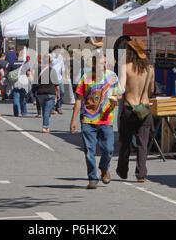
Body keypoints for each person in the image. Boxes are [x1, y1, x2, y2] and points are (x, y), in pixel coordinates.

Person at [70, 51, 123, 189]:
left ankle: (104, 168)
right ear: (94, 64)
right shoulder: (86, 78)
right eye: (101, 63)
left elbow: (119, 95)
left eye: (105, 62)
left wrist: (115, 98)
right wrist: (73, 120)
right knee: (89, 150)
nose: (104, 65)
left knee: (109, 149)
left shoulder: (112, 76)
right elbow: (79, 100)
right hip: (88, 120)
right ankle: (92, 178)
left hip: (106, 120)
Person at [116, 38, 154, 183]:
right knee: (142, 143)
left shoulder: (125, 67)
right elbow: (151, 90)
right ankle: (141, 173)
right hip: (144, 108)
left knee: (125, 141)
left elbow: (121, 88)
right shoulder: (150, 69)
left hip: (129, 108)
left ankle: (122, 170)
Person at [33, 54, 60, 133]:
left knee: (44, 109)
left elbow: (34, 82)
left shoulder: (38, 69)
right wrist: (58, 94)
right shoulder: (52, 70)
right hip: (50, 93)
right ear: (50, 61)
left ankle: (46, 124)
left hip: (40, 93)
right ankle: (45, 127)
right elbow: (57, 85)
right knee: (47, 110)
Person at [50, 46, 66, 115]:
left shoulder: (60, 57)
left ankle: (58, 107)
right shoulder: (50, 56)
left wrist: (64, 76)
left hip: (59, 78)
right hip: (52, 78)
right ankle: (52, 108)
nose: (58, 52)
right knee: (53, 93)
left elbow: (62, 67)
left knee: (62, 92)